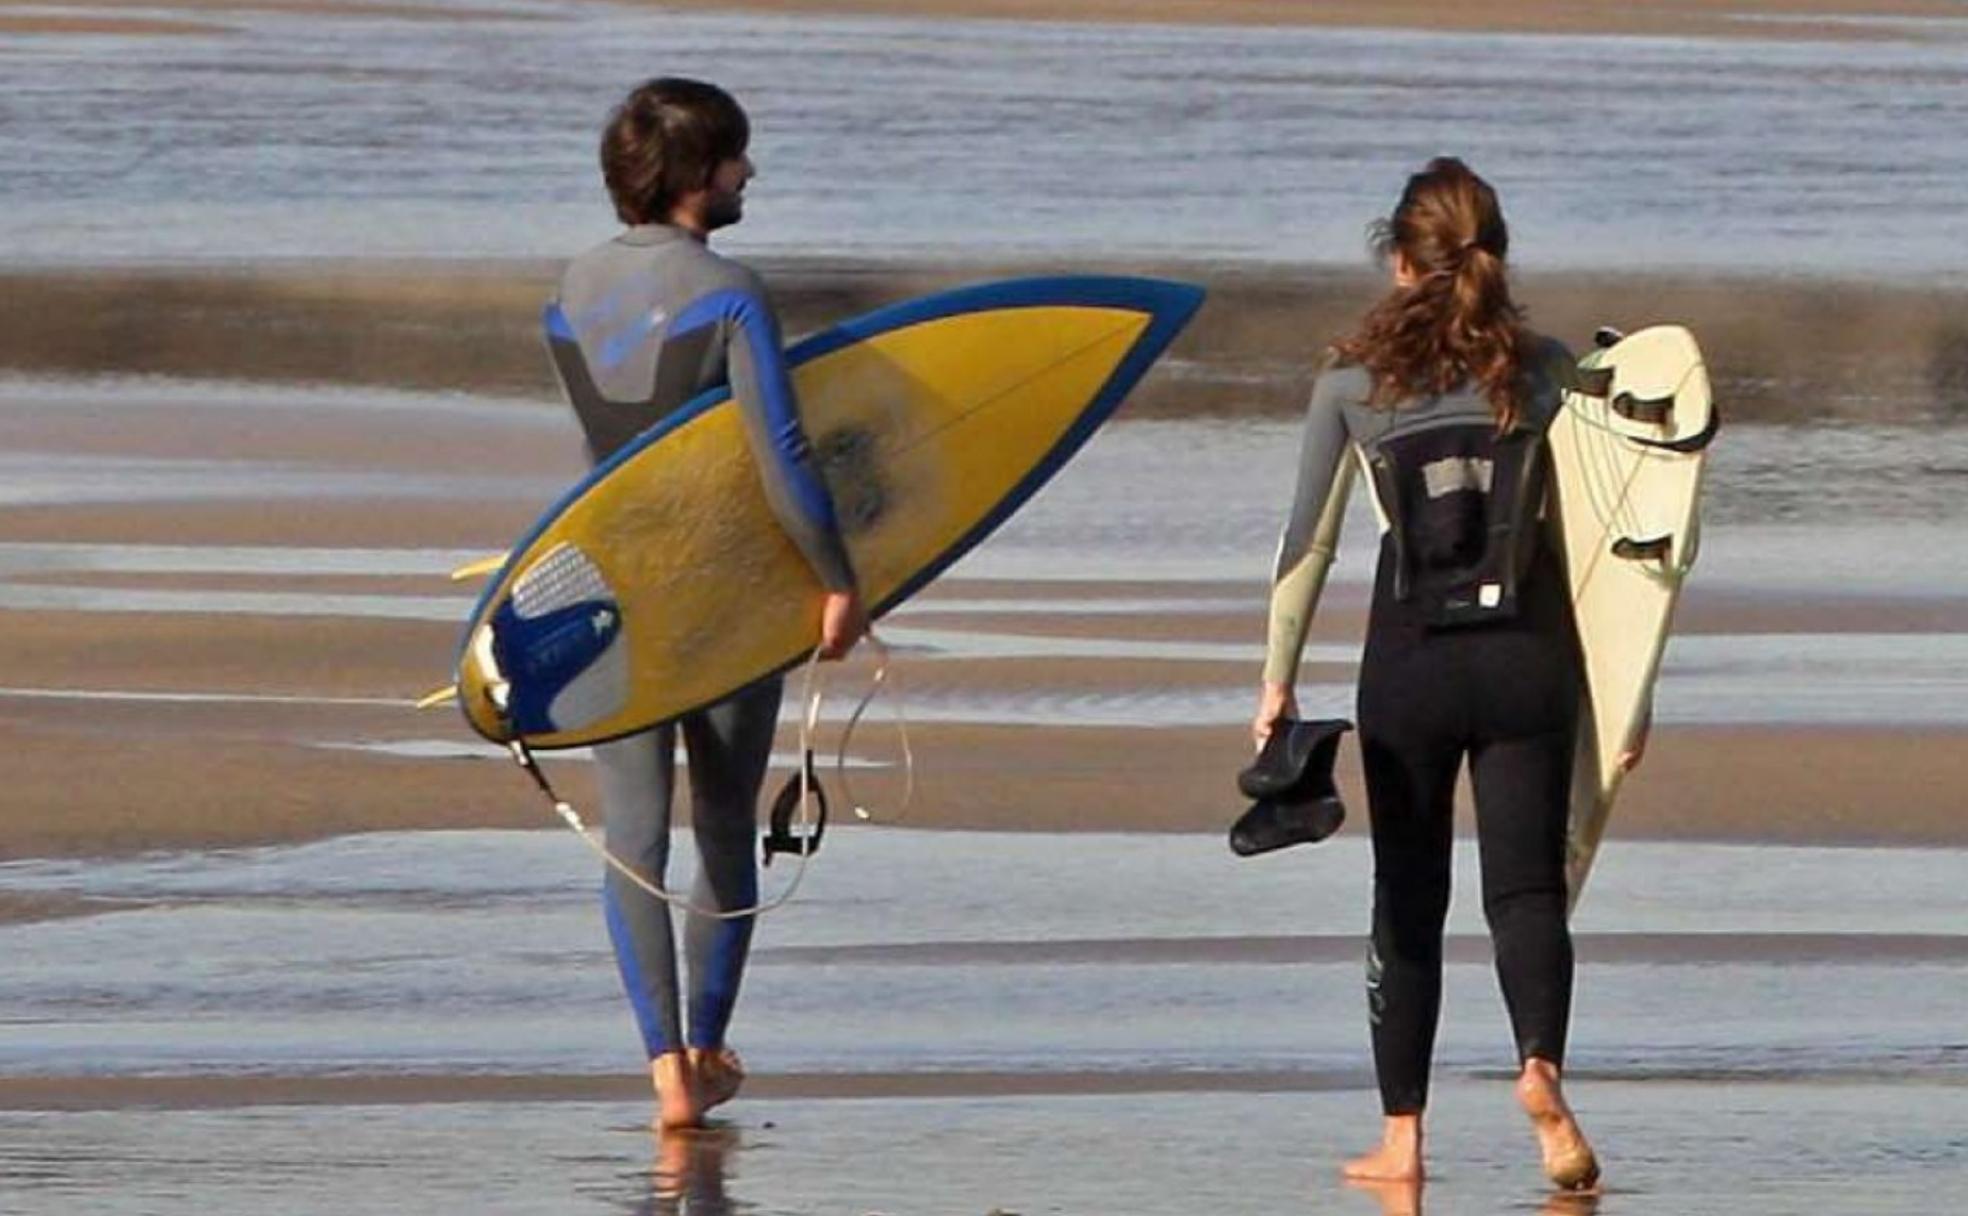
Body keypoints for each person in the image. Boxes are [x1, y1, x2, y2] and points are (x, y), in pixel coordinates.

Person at [1253, 158, 1603, 1189]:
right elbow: (1602, 535)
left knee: (1406, 896)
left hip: (1410, 665)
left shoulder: (1350, 388)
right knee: (1527, 890)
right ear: (1492, 256)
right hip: (1532, 663)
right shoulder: (1547, 372)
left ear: (1402, 263)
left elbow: (1305, 548)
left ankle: (1402, 1141)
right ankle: (1540, 1068)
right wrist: (1624, 694)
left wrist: (1275, 682)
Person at [545, 77, 866, 1131]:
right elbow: (780, 455)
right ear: (694, 177)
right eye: (735, 159)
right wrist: (835, 578)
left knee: (631, 836)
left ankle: (663, 1073)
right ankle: (709, 1041)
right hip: (722, 591)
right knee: (724, 821)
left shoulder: (567, 288)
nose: (748, 174)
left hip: (606, 586)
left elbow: (607, 459)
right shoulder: (731, 289)